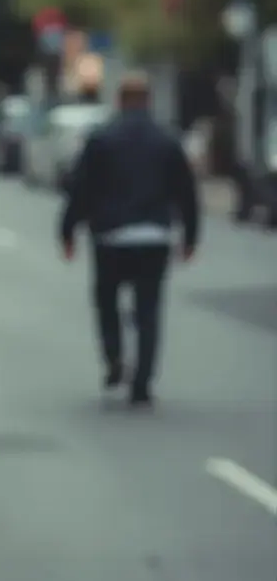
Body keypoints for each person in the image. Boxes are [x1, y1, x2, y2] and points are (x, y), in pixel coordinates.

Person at [58, 72, 200, 407]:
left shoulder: (101, 138)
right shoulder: (167, 140)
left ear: (119, 100)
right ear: (148, 100)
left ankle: (114, 359)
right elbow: (186, 192)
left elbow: (81, 189)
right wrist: (190, 236)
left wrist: (67, 230)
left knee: (107, 300)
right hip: (154, 235)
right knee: (148, 309)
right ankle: (142, 383)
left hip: (110, 236)